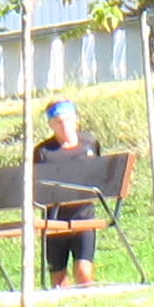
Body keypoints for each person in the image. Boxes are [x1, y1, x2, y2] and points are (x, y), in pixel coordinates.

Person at [32, 97, 106, 290]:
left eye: (68, 119)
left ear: (76, 119)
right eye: (58, 121)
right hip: (54, 221)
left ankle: (87, 304)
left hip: (84, 217)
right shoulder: (43, 152)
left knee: (84, 271)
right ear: (51, 124)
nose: (64, 125)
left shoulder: (90, 144)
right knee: (58, 279)